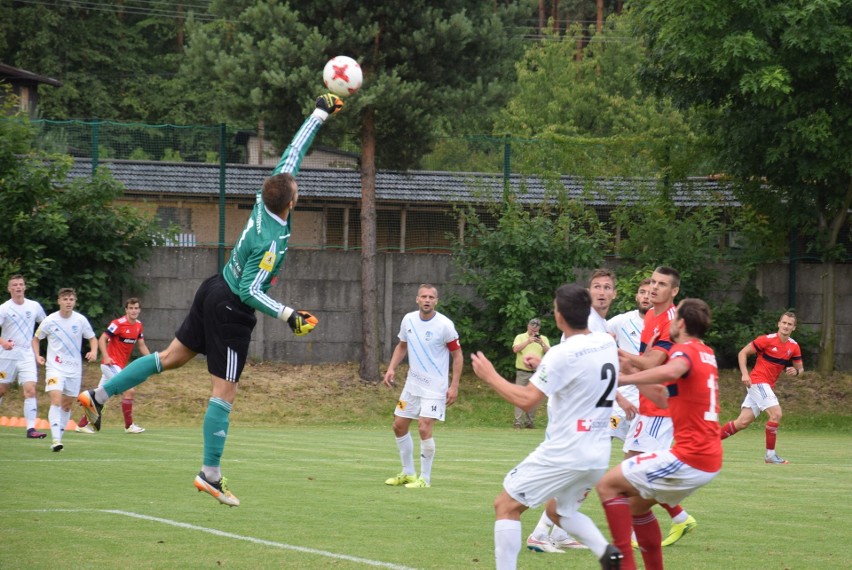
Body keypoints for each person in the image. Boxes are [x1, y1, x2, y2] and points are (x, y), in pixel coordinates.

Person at [78, 93, 345, 506]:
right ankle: (210, 473)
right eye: (297, 190)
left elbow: (294, 151)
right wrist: (289, 314)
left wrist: (319, 111)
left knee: (171, 358)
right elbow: (250, 292)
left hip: (212, 287)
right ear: (291, 202)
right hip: (231, 308)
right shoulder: (272, 238)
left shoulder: (264, 197)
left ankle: (97, 396)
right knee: (225, 391)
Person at [471, 284, 622, 570]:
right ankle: (606, 552)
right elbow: (580, 376)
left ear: (559, 317)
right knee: (557, 510)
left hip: (566, 451)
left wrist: (491, 376)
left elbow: (527, 400)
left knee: (506, 505)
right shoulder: (605, 343)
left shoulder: (562, 353)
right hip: (598, 454)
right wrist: (543, 365)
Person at [597, 298, 722, 570]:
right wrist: (631, 369)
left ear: (681, 323)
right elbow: (664, 398)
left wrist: (626, 379)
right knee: (637, 507)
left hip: (690, 458)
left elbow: (675, 368)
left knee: (607, 485)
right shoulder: (706, 352)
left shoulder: (684, 351)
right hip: (707, 459)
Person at [526, 268, 621, 553]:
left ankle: (557, 531)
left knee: (584, 472)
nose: (602, 292)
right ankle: (540, 533)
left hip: (589, 410)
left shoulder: (600, 324)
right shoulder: (589, 320)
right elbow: (569, 361)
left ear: (615, 293)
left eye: (607, 287)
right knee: (577, 470)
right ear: (588, 292)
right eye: (596, 287)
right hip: (574, 412)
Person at [617, 267, 698, 548]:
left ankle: (629, 537)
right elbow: (645, 358)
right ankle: (679, 516)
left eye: (661, 284)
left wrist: (617, 353)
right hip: (647, 405)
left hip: (661, 410)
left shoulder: (670, 320)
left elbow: (652, 363)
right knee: (637, 472)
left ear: (674, 291)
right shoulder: (651, 315)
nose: (653, 288)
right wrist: (632, 361)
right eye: (652, 282)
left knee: (632, 473)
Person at [382, 283, 463, 489]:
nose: (427, 300)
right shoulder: (408, 320)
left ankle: (425, 479)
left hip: (435, 388)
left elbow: (457, 355)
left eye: (431, 297)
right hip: (412, 386)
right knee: (398, 425)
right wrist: (391, 368)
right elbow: (402, 346)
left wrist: (454, 386)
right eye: (423, 296)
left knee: (424, 426)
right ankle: (408, 473)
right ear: (417, 299)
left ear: (436, 301)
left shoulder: (444, 325)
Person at [721, 311, 804, 464]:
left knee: (742, 422)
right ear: (779, 324)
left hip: (766, 386)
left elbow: (801, 369)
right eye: (784, 323)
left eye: (789, 324)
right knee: (776, 414)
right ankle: (770, 455)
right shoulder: (766, 340)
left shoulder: (793, 346)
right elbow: (743, 353)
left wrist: (796, 371)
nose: (786, 326)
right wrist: (745, 374)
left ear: (794, 328)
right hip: (757, 382)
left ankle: (706, 442)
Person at [32, 288, 98, 451]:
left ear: (75, 302)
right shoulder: (50, 320)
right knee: (56, 399)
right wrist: (37, 355)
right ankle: (55, 440)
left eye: (71, 299)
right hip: (55, 367)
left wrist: (94, 351)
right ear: (59, 301)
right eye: (65, 299)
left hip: (74, 369)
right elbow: (35, 339)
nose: (68, 302)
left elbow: (92, 338)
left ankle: (58, 439)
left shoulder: (80, 320)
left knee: (67, 405)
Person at [76, 298, 150, 434]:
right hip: (110, 364)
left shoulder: (138, 325)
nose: (134, 311)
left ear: (139, 310)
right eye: (131, 308)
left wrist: (152, 361)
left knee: (100, 397)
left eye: (136, 308)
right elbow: (102, 338)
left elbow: (142, 345)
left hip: (118, 366)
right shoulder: (118, 324)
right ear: (126, 310)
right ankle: (129, 426)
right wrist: (106, 356)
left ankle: (82, 424)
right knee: (129, 390)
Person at [0, 275, 48, 439]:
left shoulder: (34, 306)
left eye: (21, 284)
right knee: (1, 390)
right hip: (6, 356)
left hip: (27, 355)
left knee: (30, 390)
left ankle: (31, 429)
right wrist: (3, 342)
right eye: (15, 285)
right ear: (9, 289)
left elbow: (46, 325)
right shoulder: (4, 308)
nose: (18, 287)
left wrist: (37, 348)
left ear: (25, 287)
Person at [606, 279, 651, 442]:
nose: (646, 297)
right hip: (623, 391)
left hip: (647, 392)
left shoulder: (663, 324)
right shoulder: (622, 321)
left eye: (649, 293)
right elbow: (598, 333)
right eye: (642, 292)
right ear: (636, 297)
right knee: (605, 435)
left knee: (639, 446)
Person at [510, 318, 549, 429]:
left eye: (536, 329)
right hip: (522, 372)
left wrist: (542, 343)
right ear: (528, 326)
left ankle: (529, 422)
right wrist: (528, 341)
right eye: (532, 328)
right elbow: (515, 349)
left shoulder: (543, 339)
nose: (533, 331)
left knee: (534, 398)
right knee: (519, 396)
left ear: (539, 328)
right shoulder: (520, 337)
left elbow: (550, 353)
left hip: (536, 373)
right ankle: (518, 422)